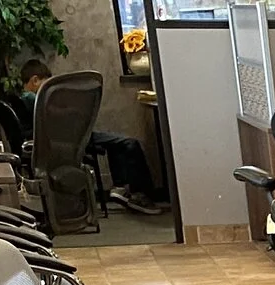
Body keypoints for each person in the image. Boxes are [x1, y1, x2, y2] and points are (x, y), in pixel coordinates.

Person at [17, 61, 169, 215]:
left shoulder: (27, 101)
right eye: (46, 82)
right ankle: (137, 193)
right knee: (129, 144)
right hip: (67, 139)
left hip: (67, 138)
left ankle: (121, 187)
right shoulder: (31, 98)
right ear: (35, 80)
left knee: (119, 144)